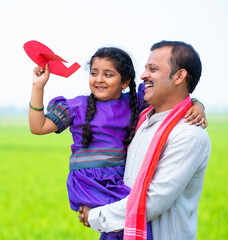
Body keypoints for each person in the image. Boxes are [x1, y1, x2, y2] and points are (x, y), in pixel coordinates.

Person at [29, 47, 206, 240]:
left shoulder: (137, 107)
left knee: (129, 217)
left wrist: (196, 104)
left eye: (108, 74)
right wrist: (38, 87)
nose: (99, 79)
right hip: (89, 181)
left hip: (115, 180)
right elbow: (38, 127)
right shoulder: (79, 106)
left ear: (125, 82)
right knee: (133, 216)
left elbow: (176, 99)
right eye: (94, 73)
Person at [78, 41, 211, 240]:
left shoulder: (188, 134)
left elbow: (154, 199)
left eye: (153, 69)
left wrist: (96, 216)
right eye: (146, 68)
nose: (143, 75)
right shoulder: (141, 119)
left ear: (179, 76)